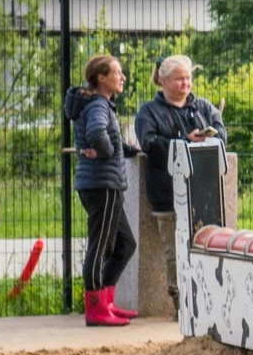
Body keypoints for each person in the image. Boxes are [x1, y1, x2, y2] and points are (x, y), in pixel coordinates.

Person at [133, 54, 226, 305]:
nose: (185, 84)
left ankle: (209, 299)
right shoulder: (148, 112)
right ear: (162, 80)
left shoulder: (204, 108)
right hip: (167, 191)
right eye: (179, 79)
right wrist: (185, 142)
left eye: (188, 78)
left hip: (204, 190)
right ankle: (181, 301)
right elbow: (149, 143)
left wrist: (208, 139)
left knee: (207, 244)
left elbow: (222, 135)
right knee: (174, 249)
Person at [63, 54, 140, 327]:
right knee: (100, 248)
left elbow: (108, 138)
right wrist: (106, 153)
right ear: (101, 78)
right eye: (117, 73)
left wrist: (131, 150)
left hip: (104, 183)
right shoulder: (98, 105)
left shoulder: (100, 104)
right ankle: (96, 310)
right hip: (102, 185)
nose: (123, 77)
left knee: (125, 244)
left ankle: (106, 301)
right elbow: (98, 134)